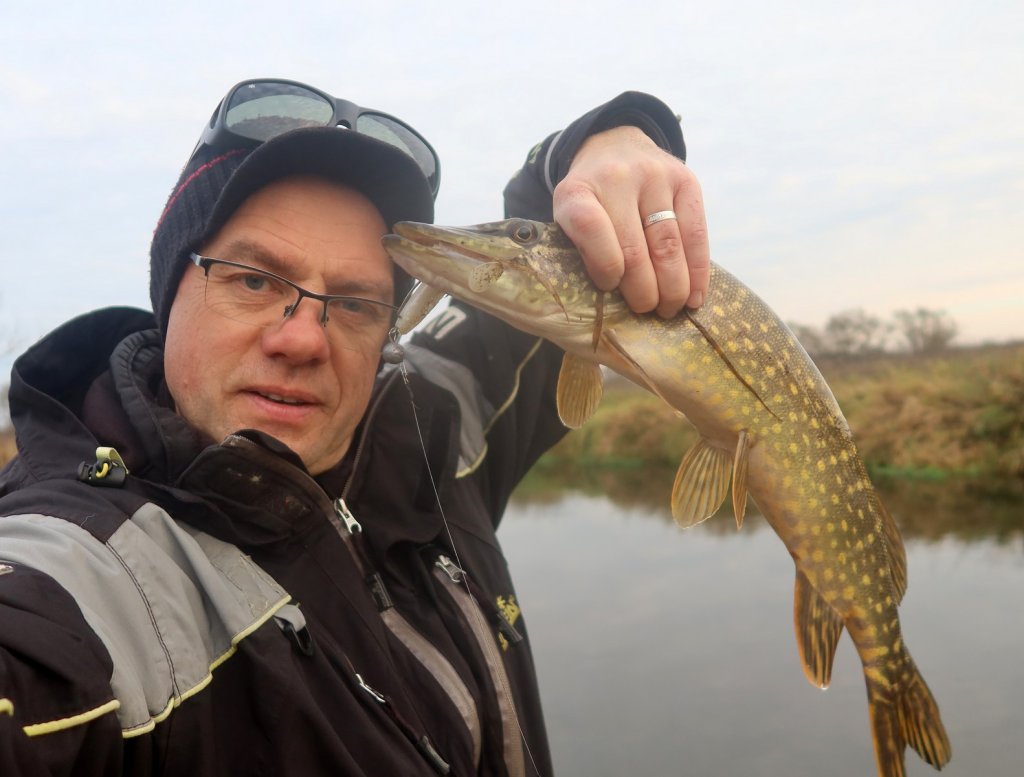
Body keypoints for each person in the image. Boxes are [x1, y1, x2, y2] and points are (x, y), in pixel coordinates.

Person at [0, 78, 708, 775]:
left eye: (356, 302)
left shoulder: (433, 422)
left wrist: (614, 137)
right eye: (255, 280)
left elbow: (546, 247)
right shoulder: (84, 573)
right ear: (172, 288)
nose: (304, 339)